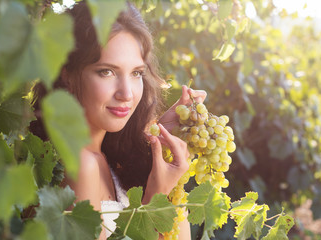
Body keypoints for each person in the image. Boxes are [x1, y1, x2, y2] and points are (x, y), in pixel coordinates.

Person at [30, 1, 206, 239]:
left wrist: (161, 139)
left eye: (136, 73)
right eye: (107, 71)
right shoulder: (82, 166)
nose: (127, 93)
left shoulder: (108, 158)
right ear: (68, 75)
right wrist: (155, 201)